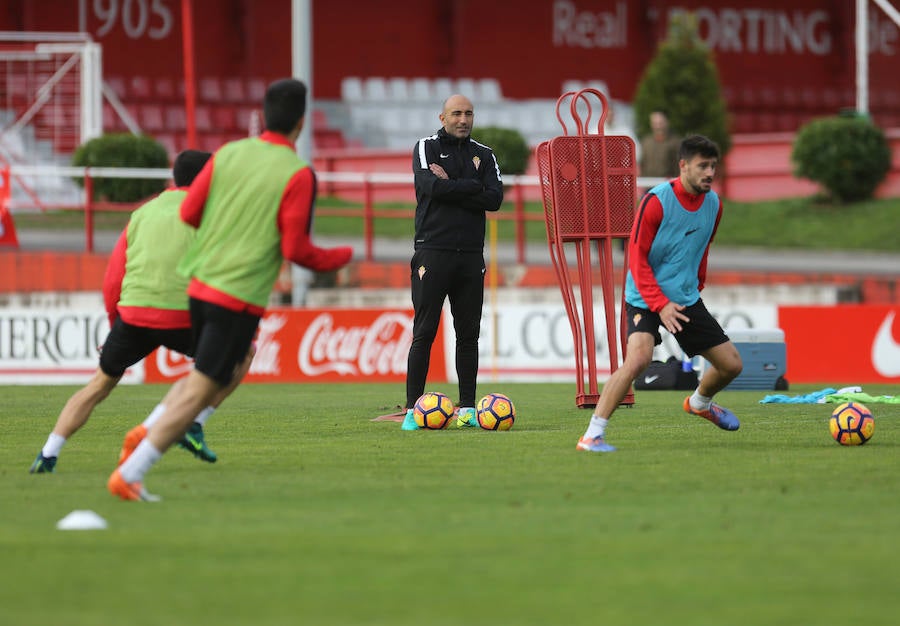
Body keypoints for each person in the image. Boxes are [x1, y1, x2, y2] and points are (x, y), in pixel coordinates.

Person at [107, 78, 353, 500]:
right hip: (236, 295)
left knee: (210, 371)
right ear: (300, 124)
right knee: (205, 385)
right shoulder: (297, 173)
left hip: (200, 284)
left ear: (264, 114)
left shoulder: (228, 153)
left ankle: (146, 432)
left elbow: (188, 211)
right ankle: (132, 469)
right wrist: (341, 256)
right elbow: (296, 248)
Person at [29, 149, 247, 474]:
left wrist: (115, 326)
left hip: (133, 316)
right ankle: (194, 423)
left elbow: (114, 278)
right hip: (181, 316)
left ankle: (48, 455)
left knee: (97, 386)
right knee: (243, 353)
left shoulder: (143, 213)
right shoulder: (211, 214)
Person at [576, 134, 743, 453]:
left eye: (713, 167)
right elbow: (635, 258)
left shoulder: (714, 205)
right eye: (702, 166)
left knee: (732, 365)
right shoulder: (656, 201)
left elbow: (702, 247)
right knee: (637, 359)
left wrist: (696, 285)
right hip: (644, 296)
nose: (709, 173)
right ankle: (592, 435)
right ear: (683, 166)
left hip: (684, 298)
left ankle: (700, 403)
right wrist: (659, 303)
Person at [400, 94, 504, 431]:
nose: (463, 119)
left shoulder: (484, 154)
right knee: (425, 332)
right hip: (433, 250)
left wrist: (454, 185)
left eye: (468, 113)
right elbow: (430, 187)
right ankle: (412, 412)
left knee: (468, 335)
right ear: (442, 116)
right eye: (456, 113)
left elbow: (495, 198)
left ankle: (469, 410)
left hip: (471, 255)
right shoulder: (425, 147)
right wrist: (471, 188)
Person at [638, 110, 681, 180]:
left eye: (660, 123)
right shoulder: (646, 142)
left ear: (667, 122)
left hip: (668, 184)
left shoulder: (676, 142)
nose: (658, 126)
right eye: (655, 123)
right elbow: (641, 163)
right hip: (647, 184)